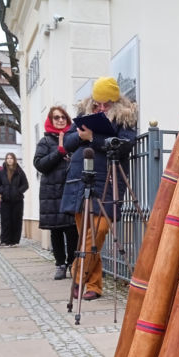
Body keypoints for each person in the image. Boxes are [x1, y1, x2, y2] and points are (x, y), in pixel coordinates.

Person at [61, 76, 137, 301]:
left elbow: (125, 146)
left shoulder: (125, 117)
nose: (101, 108)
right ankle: (94, 285)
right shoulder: (84, 115)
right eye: (98, 103)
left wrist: (93, 138)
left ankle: (77, 273)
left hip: (109, 180)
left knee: (99, 231)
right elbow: (67, 143)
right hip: (80, 179)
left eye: (107, 104)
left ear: (115, 101)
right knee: (87, 234)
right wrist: (81, 136)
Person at [33, 106, 79, 279]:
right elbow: (39, 164)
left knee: (72, 229)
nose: (60, 120)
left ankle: (73, 263)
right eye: (56, 117)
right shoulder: (45, 142)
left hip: (70, 190)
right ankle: (60, 264)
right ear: (50, 121)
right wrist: (59, 153)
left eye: (63, 117)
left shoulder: (74, 138)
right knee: (57, 230)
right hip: (52, 192)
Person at [0, 152, 29, 247]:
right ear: (6, 160)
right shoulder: (1, 173)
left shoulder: (19, 172)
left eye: (11, 158)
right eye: (7, 158)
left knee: (16, 221)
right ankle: (4, 241)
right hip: (5, 200)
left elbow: (25, 185)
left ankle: (14, 241)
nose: (9, 160)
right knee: (5, 221)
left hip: (17, 201)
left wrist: (18, 192)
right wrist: (3, 191)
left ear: (14, 160)